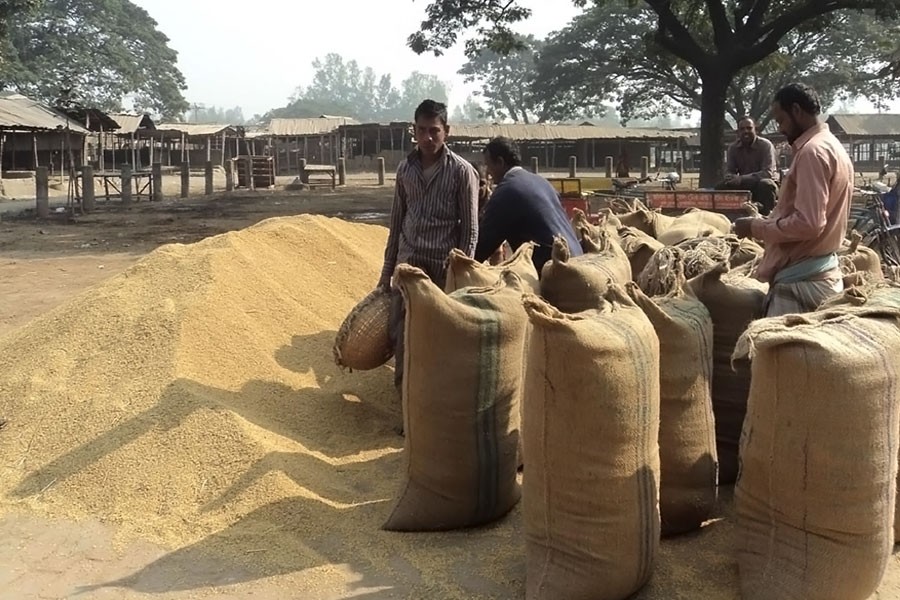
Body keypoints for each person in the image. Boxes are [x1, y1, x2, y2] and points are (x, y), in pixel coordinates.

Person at [378, 99, 480, 391]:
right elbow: (396, 224)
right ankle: (406, 408)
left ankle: (436, 408)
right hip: (408, 268)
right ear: (414, 130)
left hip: (442, 272)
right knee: (403, 338)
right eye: (422, 130)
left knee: (440, 341)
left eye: (434, 131)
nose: (428, 138)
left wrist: (462, 276)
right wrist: (386, 274)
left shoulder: (462, 172)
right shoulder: (405, 170)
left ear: (446, 131)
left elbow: (470, 230)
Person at [733, 83, 853, 318]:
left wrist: (755, 227)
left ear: (796, 111)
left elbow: (809, 223)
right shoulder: (831, 146)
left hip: (802, 283)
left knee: (766, 352)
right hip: (818, 271)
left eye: (781, 121)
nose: (781, 129)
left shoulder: (812, 152)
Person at [474, 137, 583, 273]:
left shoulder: (506, 191)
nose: (488, 172)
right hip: (578, 260)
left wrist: (461, 264)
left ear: (500, 162)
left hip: (553, 269)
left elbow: (485, 243)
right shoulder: (542, 182)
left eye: (488, 165)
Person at [716, 116, 779, 214]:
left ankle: (767, 215)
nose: (745, 131)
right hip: (744, 184)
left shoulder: (766, 145)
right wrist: (729, 177)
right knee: (720, 187)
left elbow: (767, 173)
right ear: (738, 132)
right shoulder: (733, 148)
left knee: (766, 184)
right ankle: (727, 215)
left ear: (755, 130)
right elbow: (729, 170)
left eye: (749, 128)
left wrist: (741, 179)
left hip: (763, 183)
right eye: (742, 129)